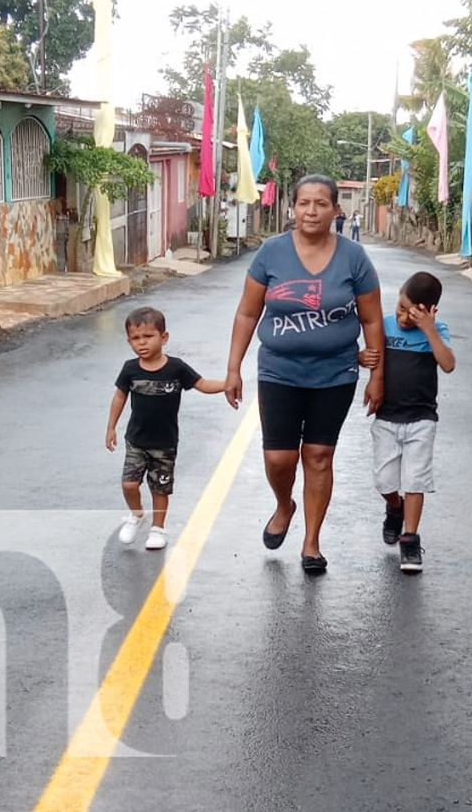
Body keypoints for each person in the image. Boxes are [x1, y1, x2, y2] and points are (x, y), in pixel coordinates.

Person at [224, 174, 386, 575]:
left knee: (318, 456)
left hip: (335, 373)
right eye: (304, 203)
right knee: (279, 457)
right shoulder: (270, 253)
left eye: (321, 203)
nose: (312, 211)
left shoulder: (354, 258)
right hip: (279, 371)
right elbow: (248, 312)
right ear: (292, 208)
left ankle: (312, 543)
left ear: (335, 209)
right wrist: (233, 368)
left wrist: (377, 375)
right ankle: (284, 504)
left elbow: (371, 318)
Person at [358, 271, 456, 574]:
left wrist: (429, 330)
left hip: (421, 419)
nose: (402, 316)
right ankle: (394, 507)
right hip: (387, 417)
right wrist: (362, 358)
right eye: (400, 307)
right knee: (384, 480)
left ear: (428, 311)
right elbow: (369, 353)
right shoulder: (385, 326)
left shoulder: (436, 331)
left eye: (411, 313)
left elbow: (448, 364)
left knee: (415, 479)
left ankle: (410, 538)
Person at [107, 306, 225, 550]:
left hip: (165, 444)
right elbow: (119, 398)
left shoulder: (176, 368)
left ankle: (158, 528)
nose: (142, 343)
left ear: (164, 337)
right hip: (136, 442)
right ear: (129, 341)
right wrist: (111, 428)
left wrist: (228, 384)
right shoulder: (130, 369)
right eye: (135, 339)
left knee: (160, 488)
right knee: (129, 484)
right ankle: (137, 515)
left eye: (148, 336)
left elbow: (202, 384)